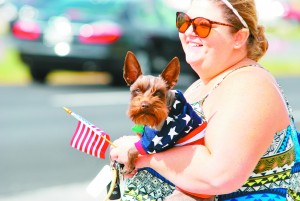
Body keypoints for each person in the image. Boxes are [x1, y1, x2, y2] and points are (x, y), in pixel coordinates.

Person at [110, 0, 300, 200]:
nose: (189, 32)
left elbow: (219, 175)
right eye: (183, 22)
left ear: (239, 37)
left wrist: (142, 156)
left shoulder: (250, 85)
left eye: (203, 25)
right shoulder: (202, 86)